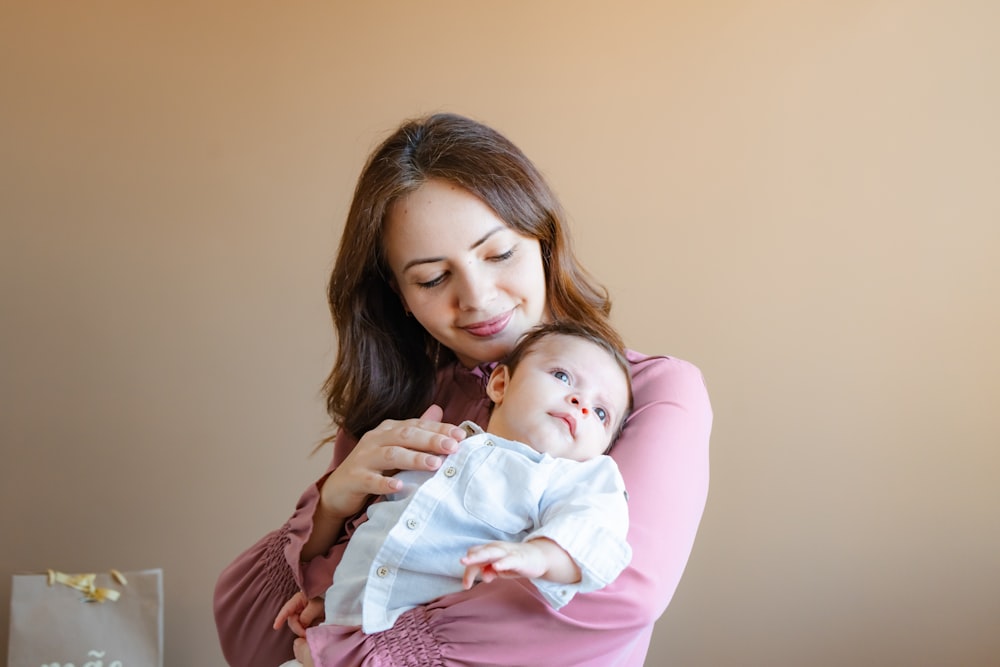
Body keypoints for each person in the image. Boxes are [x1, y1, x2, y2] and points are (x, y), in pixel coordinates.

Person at [214, 112, 713, 667]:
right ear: (399, 295)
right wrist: (332, 504)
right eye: (432, 278)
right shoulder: (399, 409)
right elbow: (257, 644)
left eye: (499, 254)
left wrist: (355, 653)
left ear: (542, 242)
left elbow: (613, 594)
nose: (476, 297)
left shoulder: (652, 391)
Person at [273, 322, 634, 662]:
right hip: (340, 633)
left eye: (601, 413)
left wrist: (539, 556)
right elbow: (381, 529)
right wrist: (332, 594)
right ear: (500, 385)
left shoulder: (574, 479)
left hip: (419, 654)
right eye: (562, 376)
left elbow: (596, 532)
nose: (582, 403)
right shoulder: (442, 443)